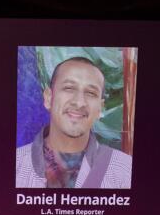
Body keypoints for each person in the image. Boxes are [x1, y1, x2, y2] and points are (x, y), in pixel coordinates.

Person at [16, 56, 133, 189]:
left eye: (90, 93)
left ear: (100, 108)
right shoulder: (16, 165)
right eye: (69, 88)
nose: (79, 102)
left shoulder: (125, 170)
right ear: (49, 98)